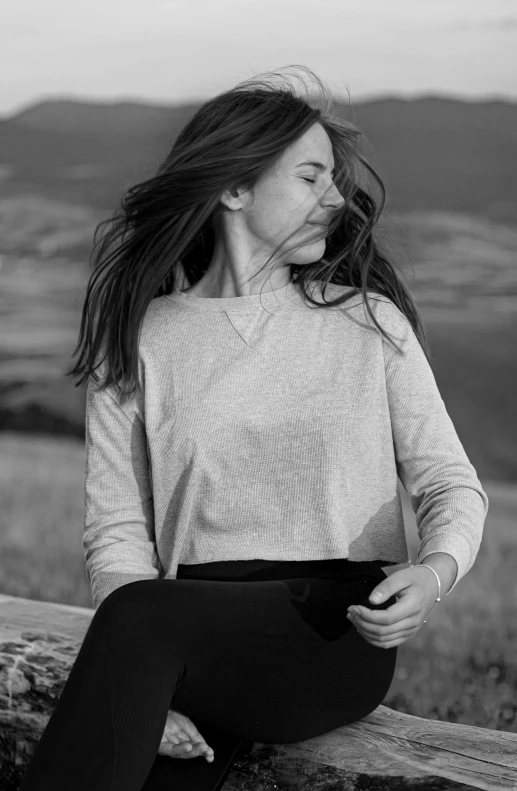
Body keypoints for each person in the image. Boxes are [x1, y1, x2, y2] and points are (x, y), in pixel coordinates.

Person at [19, 65, 489, 791]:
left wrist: (433, 571)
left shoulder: (367, 324)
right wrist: (149, 687)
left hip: (333, 627)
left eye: (333, 179)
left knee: (144, 629)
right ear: (234, 189)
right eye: (309, 177)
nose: (334, 198)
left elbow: (448, 482)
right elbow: (116, 530)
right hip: (182, 629)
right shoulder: (139, 337)